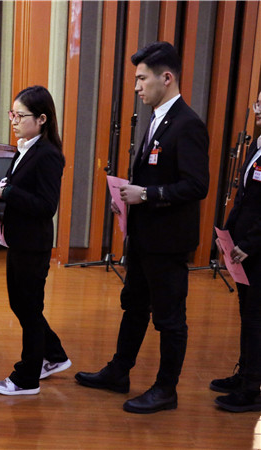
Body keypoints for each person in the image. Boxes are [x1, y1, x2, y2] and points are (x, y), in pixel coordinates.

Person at [75, 41, 209, 414]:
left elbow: (197, 185)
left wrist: (146, 194)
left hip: (168, 242)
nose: (136, 87)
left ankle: (166, 389)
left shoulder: (188, 124)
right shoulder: (156, 119)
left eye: (141, 79)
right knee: (134, 306)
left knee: (169, 318)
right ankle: (119, 372)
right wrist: (128, 199)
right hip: (144, 238)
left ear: (166, 78)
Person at [0, 86, 71, 397]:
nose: (13, 121)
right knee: (22, 304)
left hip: (33, 243)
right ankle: (54, 355)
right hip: (17, 238)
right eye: (12, 114)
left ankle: (27, 378)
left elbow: (46, 205)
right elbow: (16, 184)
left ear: (41, 119)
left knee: (28, 308)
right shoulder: (26, 147)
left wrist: (8, 192)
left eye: (20, 115)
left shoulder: (48, 154)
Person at [211, 91, 261, 412]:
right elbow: (243, 198)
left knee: (256, 318)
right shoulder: (257, 146)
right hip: (243, 248)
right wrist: (227, 235)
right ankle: (245, 374)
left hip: (256, 250)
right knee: (247, 313)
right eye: (258, 102)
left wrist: (248, 244)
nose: (259, 109)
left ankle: (253, 388)